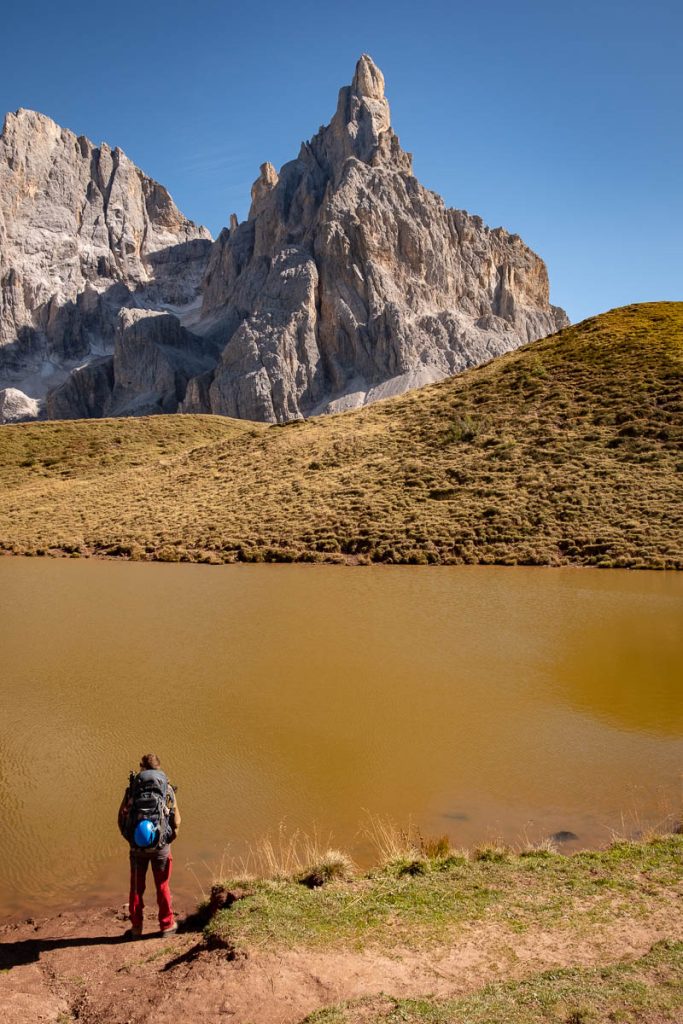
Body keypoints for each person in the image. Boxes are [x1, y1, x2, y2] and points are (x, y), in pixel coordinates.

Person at [118, 753, 181, 939]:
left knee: (137, 888)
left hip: (137, 850)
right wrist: (168, 839)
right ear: (158, 768)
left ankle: (137, 928)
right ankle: (167, 925)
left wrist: (131, 840)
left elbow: (121, 818)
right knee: (162, 885)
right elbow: (176, 821)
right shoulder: (166, 788)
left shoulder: (132, 789)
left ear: (141, 767)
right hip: (161, 847)